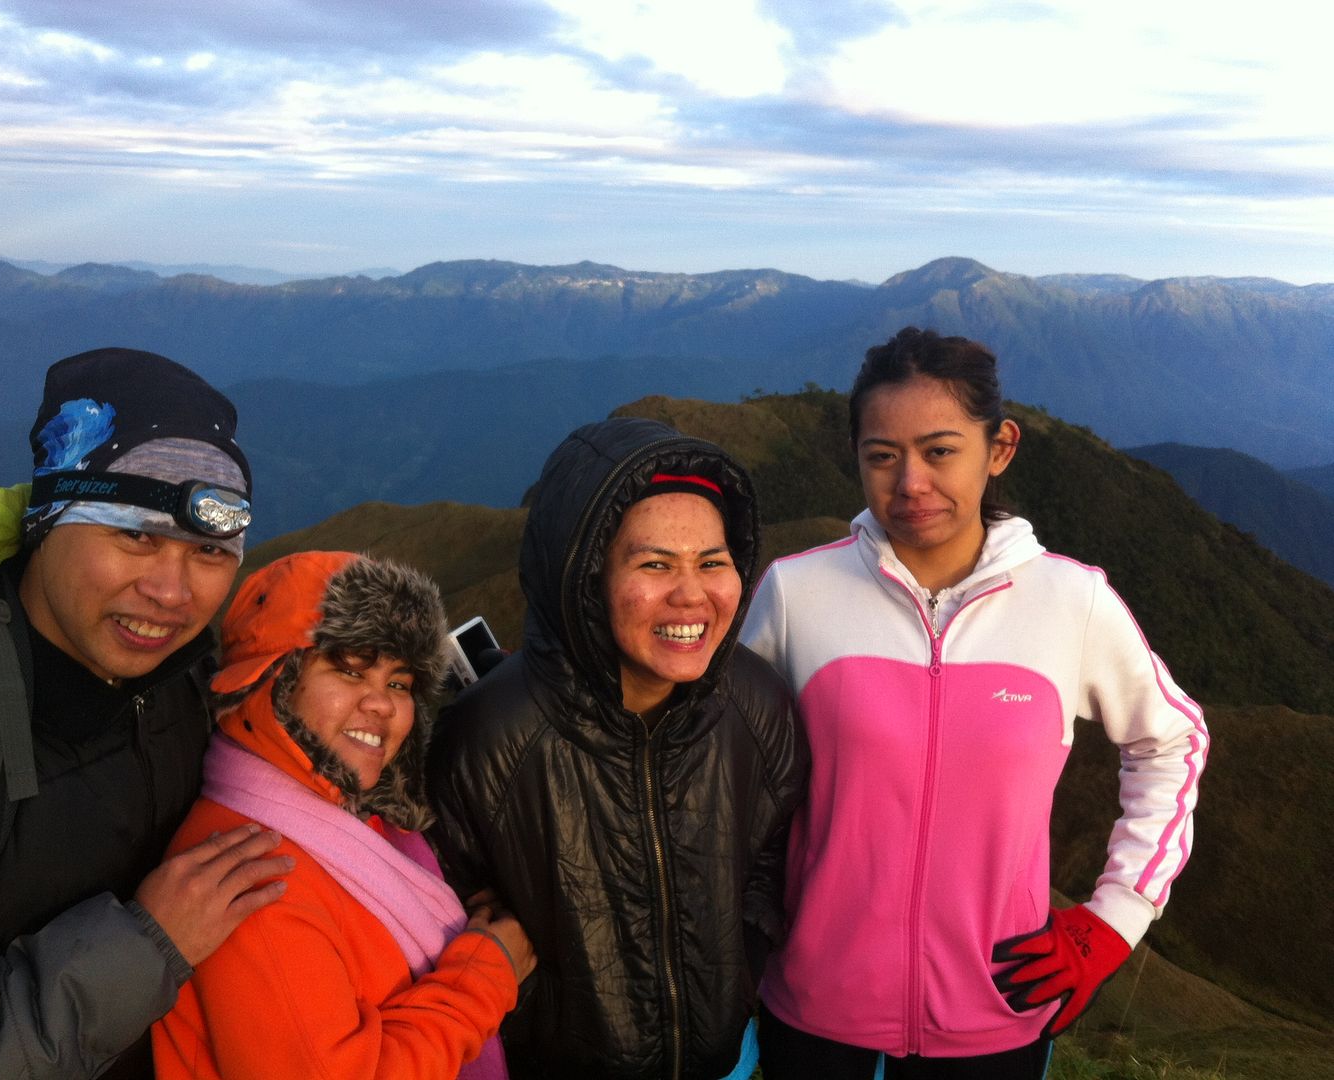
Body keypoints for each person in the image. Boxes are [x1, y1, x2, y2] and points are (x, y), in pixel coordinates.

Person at [741, 327, 1210, 1079]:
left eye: (940, 450)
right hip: (815, 1014)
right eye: (881, 456)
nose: (910, 484)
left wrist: (1116, 918)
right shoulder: (797, 594)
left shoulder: (1070, 600)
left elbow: (1174, 741)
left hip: (999, 1016)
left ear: (1000, 448)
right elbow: (715, 760)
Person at [0, 347, 289, 1079]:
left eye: (208, 549)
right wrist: (151, 942)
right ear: (48, 521)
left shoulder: (188, 676)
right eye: (135, 534)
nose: (173, 593)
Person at [428, 416, 809, 1080]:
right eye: (654, 563)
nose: (692, 594)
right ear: (585, 578)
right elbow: (445, 915)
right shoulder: (487, 740)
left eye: (712, 562)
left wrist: (740, 972)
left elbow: (770, 862)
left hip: (727, 1065)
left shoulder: (757, 705)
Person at [152, 550, 535, 1079]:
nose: (381, 704)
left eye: (399, 683)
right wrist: (486, 974)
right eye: (350, 670)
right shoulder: (254, 883)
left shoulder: (359, 822)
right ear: (273, 683)